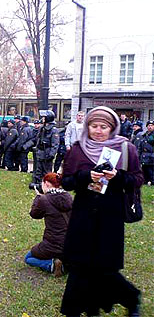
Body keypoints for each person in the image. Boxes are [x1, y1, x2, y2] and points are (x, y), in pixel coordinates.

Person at [60, 106, 143, 317]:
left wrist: (118, 177)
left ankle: (130, 298)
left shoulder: (126, 148)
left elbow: (137, 179)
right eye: (94, 126)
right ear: (87, 126)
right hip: (83, 215)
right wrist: (86, 176)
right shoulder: (78, 149)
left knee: (105, 268)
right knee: (79, 266)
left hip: (110, 216)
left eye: (103, 127)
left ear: (112, 127)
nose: (98, 130)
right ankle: (76, 311)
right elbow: (67, 182)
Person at [25, 172, 72, 276]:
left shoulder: (44, 199)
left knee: (28, 258)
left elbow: (34, 214)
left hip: (54, 244)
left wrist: (38, 197)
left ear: (46, 183)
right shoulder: (68, 196)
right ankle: (66, 262)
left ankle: (53, 265)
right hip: (70, 243)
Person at [140, 120, 154, 185]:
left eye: (151, 125)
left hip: (152, 155)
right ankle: (145, 181)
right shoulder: (144, 135)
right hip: (144, 155)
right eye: (148, 125)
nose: (150, 127)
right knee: (144, 170)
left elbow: (150, 140)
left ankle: (152, 181)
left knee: (151, 170)